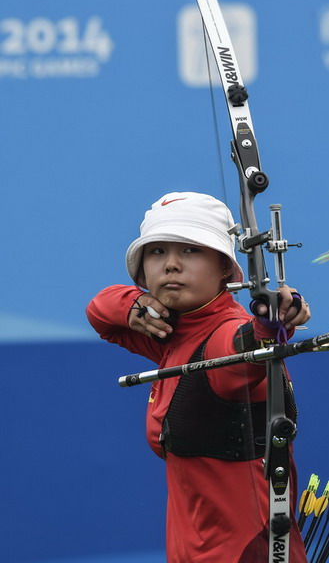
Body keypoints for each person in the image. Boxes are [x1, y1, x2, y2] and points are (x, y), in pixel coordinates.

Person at [86, 192, 310, 563]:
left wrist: (273, 319)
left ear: (225, 267)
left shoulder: (223, 335)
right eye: (157, 252)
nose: (170, 265)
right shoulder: (172, 335)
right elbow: (100, 311)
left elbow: (243, 347)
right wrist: (133, 305)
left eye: (190, 251)